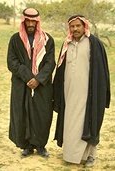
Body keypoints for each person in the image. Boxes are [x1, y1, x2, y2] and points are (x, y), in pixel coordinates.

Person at [53, 14, 110, 167]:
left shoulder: (94, 43)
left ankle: (91, 155)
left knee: (89, 121)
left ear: (84, 26)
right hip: (69, 92)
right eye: (72, 26)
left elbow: (101, 71)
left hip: (88, 93)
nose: (75, 29)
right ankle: (70, 154)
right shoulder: (67, 44)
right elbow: (60, 69)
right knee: (71, 123)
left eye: (78, 25)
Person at [7, 8, 55, 157]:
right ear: (23, 21)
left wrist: (38, 79)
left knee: (42, 114)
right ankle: (26, 146)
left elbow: (50, 63)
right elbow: (11, 62)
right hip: (22, 84)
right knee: (22, 113)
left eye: (33, 21)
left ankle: (40, 146)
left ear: (37, 21)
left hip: (42, 85)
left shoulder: (48, 39)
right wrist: (28, 77)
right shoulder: (15, 39)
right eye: (27, 20)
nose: (30, 23)